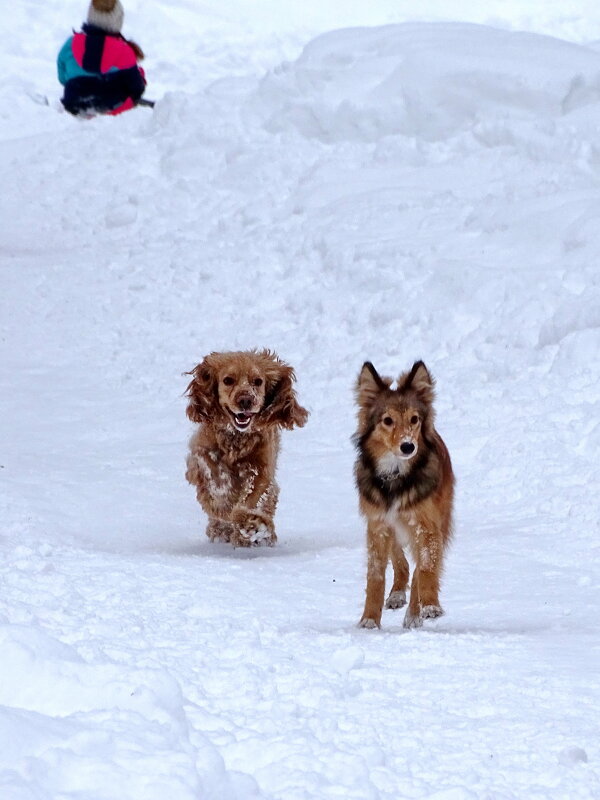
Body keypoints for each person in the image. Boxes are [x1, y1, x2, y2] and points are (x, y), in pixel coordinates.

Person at [57, 0, 146, 117]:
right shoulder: (124, 51)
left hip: (74, 106)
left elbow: (63, 78)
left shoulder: (70, 44)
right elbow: (136, 89)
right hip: (114, 109)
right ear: (118, 21)